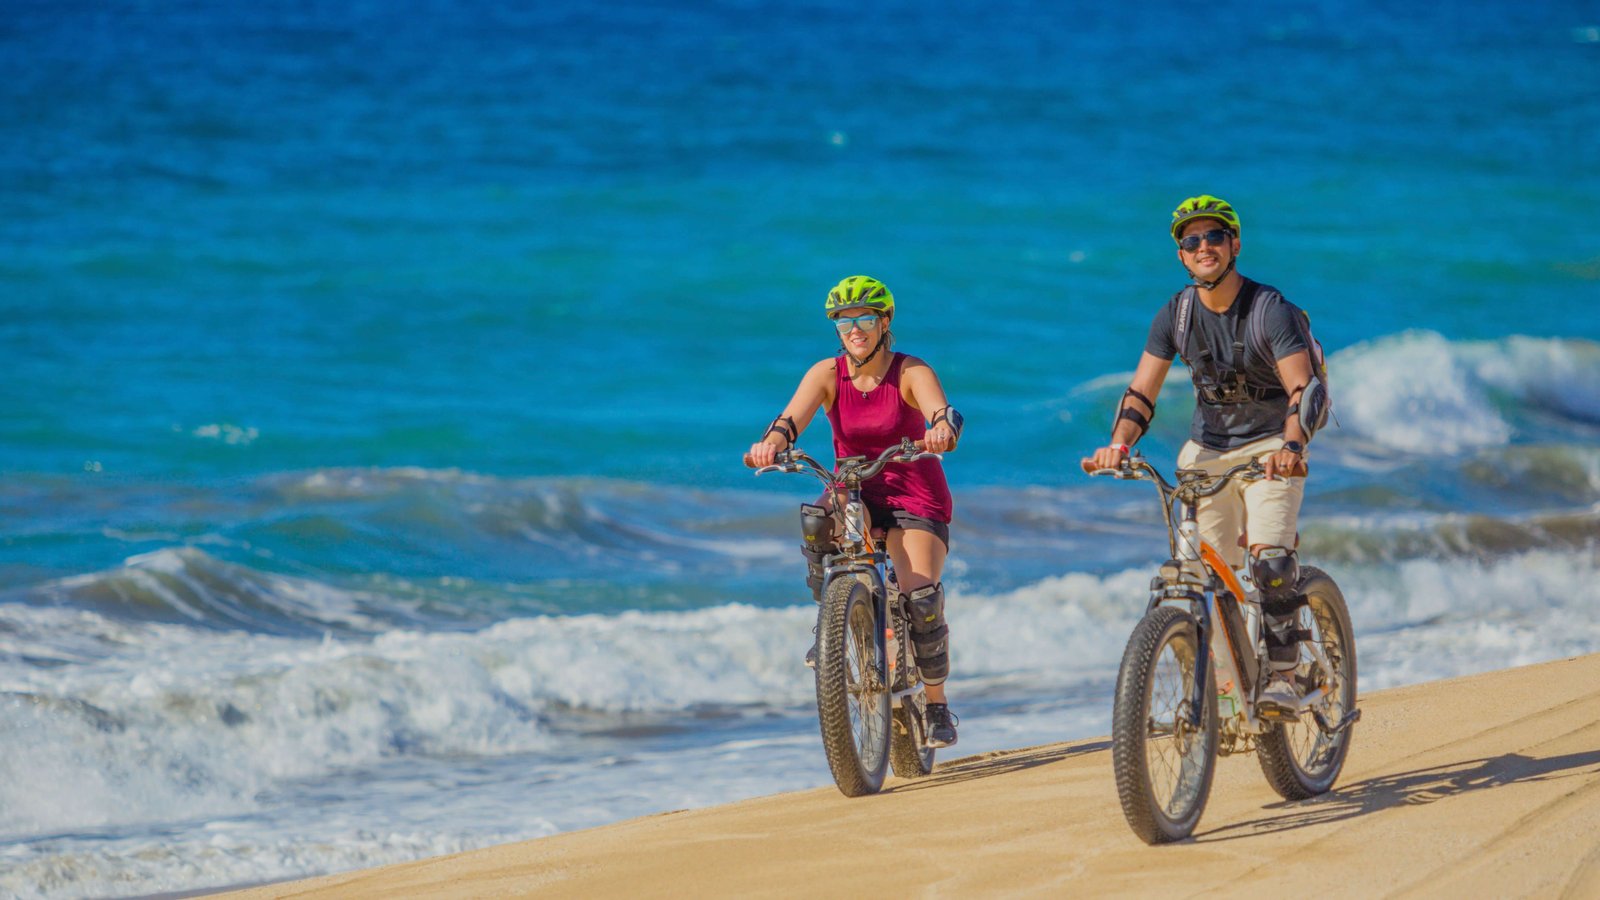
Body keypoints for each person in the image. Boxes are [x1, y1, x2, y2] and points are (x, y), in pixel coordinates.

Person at [1085, 195, 1325, 715]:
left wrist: (1292, 447)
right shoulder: (1175, 314)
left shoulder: (1270, 310)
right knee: (1198, 573)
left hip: (1271, 445)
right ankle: (1222, 686)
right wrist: (1119, 445)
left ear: (1234, 245)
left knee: (1270, 559)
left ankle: (1287, 675)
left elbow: (1303, 390)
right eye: (1191, 241)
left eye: (1214, 236)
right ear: (1181, 255)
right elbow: (1141, 392)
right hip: (1208, 449)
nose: (1203, 247)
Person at [747, 275, 964, 747]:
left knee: (920, 598)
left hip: (913, 493)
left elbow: (941, 411)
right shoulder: (827, 373)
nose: (854, 330)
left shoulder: (910, 371)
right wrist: (771, 444)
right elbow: (789, 421)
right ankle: (832, 621)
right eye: (844, 322)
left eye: (864, 318)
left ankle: (937, 705)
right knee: (818, 520)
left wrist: (942, 430)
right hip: (854, 488)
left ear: (885, 323)